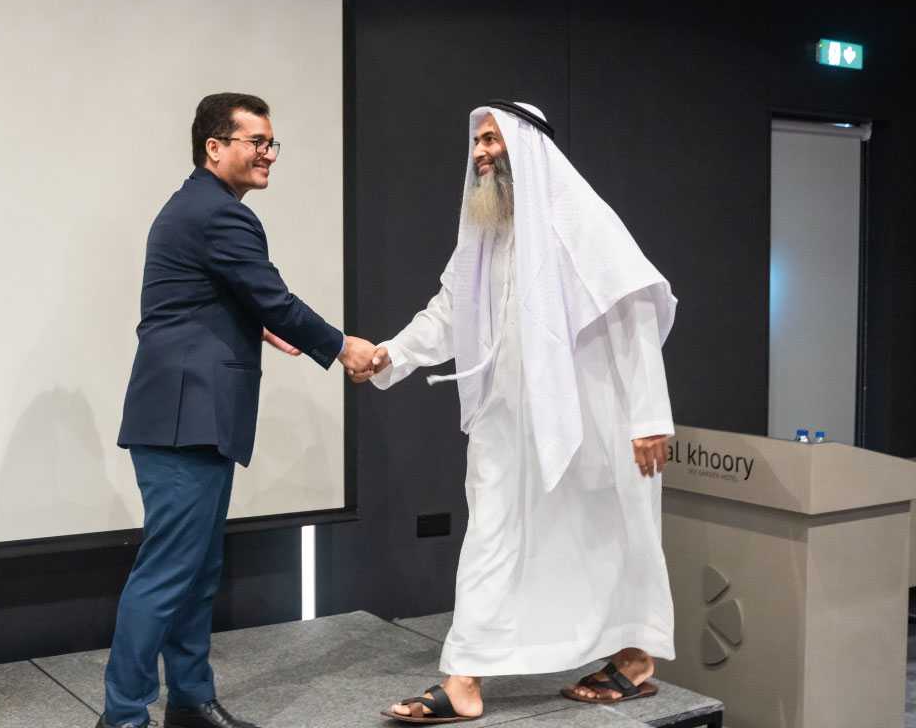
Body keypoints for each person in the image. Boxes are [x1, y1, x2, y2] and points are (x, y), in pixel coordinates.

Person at [367, 103, 677, 723]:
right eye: (476, 142)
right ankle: (464, 677)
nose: (480, 152)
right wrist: (389, 354)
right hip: (505, 420)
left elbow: (635, 312)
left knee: (612, 535)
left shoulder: (580, 219)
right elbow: (448, 312)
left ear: (527, 146)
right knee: (491, 534)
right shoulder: (483, 234)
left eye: (492, 139)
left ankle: (636, 656)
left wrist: (650, 416)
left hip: (592, 420)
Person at [101, 93, 376, 728]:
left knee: (195, 572)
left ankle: (190, 702)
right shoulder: (219, 214)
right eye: (256, 141)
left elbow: (210, 299)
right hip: (185, 419)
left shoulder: (197, 207)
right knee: (168, 574)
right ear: (214, 147)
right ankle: (122, 716)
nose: (267, 153)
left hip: (191, 417)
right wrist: (342, 346)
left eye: (271, 142)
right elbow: (272, 297)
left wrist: (251, 322)